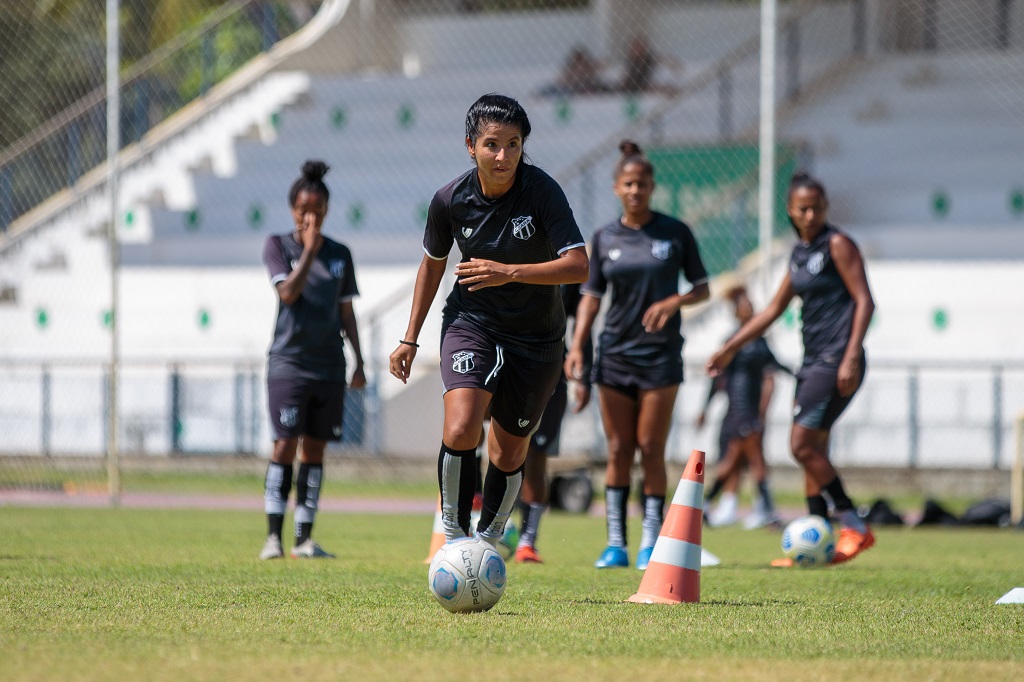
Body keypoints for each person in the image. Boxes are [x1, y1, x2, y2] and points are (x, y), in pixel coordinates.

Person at [389, 94, 589, 556]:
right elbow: (432, 267)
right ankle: (455, 540)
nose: (504, 156)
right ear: (470, 146)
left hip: (538, 337)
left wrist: (509, 271)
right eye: (492, 145)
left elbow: (579, 266)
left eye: (514, 144)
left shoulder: (542, 192)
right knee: (461, 428)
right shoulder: (449, 201)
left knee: (509, 451)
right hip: (471, 321)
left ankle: (490, 540)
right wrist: (409, 338)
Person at [706, 172, 876, 566]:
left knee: (800, 445)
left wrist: (852, 355)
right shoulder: (799, 255)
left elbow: (865, 301)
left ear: (826, 207)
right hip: (813, 361)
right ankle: (820, 542)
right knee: (813, 449)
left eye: (817, 206)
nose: (810, 213)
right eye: (803, 207)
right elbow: (771, 310)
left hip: (836, 360)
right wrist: (730, 346)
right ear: (790, 210)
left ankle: (855, 525)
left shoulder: (838, 244)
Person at [565, 140, 710, 570]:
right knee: (618, 450)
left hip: (661, 357)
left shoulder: (675, 232)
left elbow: (704, 288)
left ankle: (651, 542)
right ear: (616, 188)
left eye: (642, 183)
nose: (635, 190)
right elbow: (590, 298)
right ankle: (615, 544)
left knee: (651, 446)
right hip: (615, 357)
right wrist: (577, 346)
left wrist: (674, 302)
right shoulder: (604, 237)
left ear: (652, 186)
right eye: (628, 183)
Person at [259, 160, 366, 560]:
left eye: (318, 212)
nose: (311, 218)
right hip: (288, 364)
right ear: (293, 210)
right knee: (285, 444)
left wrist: (359, 362)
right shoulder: (278, 246)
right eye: (304, 211)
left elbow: (346, 312)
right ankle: (273, 537)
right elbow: (287, 293)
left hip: (329, 367)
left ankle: (304, 539)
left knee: (315, 451)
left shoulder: (340, 254)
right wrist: (307, 252)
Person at [510, 283, 593, 564]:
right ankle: (493, 527)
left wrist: (584, 376)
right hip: (510, 362)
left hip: (551, 368)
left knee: (537, 454)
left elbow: (583, 321)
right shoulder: (512, 253)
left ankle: (527, 541)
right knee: (503, 450)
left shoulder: (568, 265)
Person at [697, 284, 790, 530]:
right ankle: (768, 512)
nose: (750, 308)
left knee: (734, 461)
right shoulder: (732, 341)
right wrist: (705, 409)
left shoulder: (760, 341)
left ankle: (704, 505)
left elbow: (776, 365)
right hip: (738, 408)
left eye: (751, 304)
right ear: (736, 312)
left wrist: (799, 374)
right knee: (753, 460)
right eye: (745, 305)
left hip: (751, 407)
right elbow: (717, 379)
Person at [619, 37, 685, 96]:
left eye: (639, 47)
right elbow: (627, 79)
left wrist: (673, 64)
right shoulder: (631, 61)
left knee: (659, 88)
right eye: (634, 47)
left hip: (642, 86)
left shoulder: (647, 59)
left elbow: (661, 59)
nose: (635, 50)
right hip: (632, 87)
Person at [538, 45, 610, 98]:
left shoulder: (592, 75)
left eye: (582, 64)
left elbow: (605, 63)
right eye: (577, 64)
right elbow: (558, 85)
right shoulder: (568, 77)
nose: (580, 68)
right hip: (570, 90)